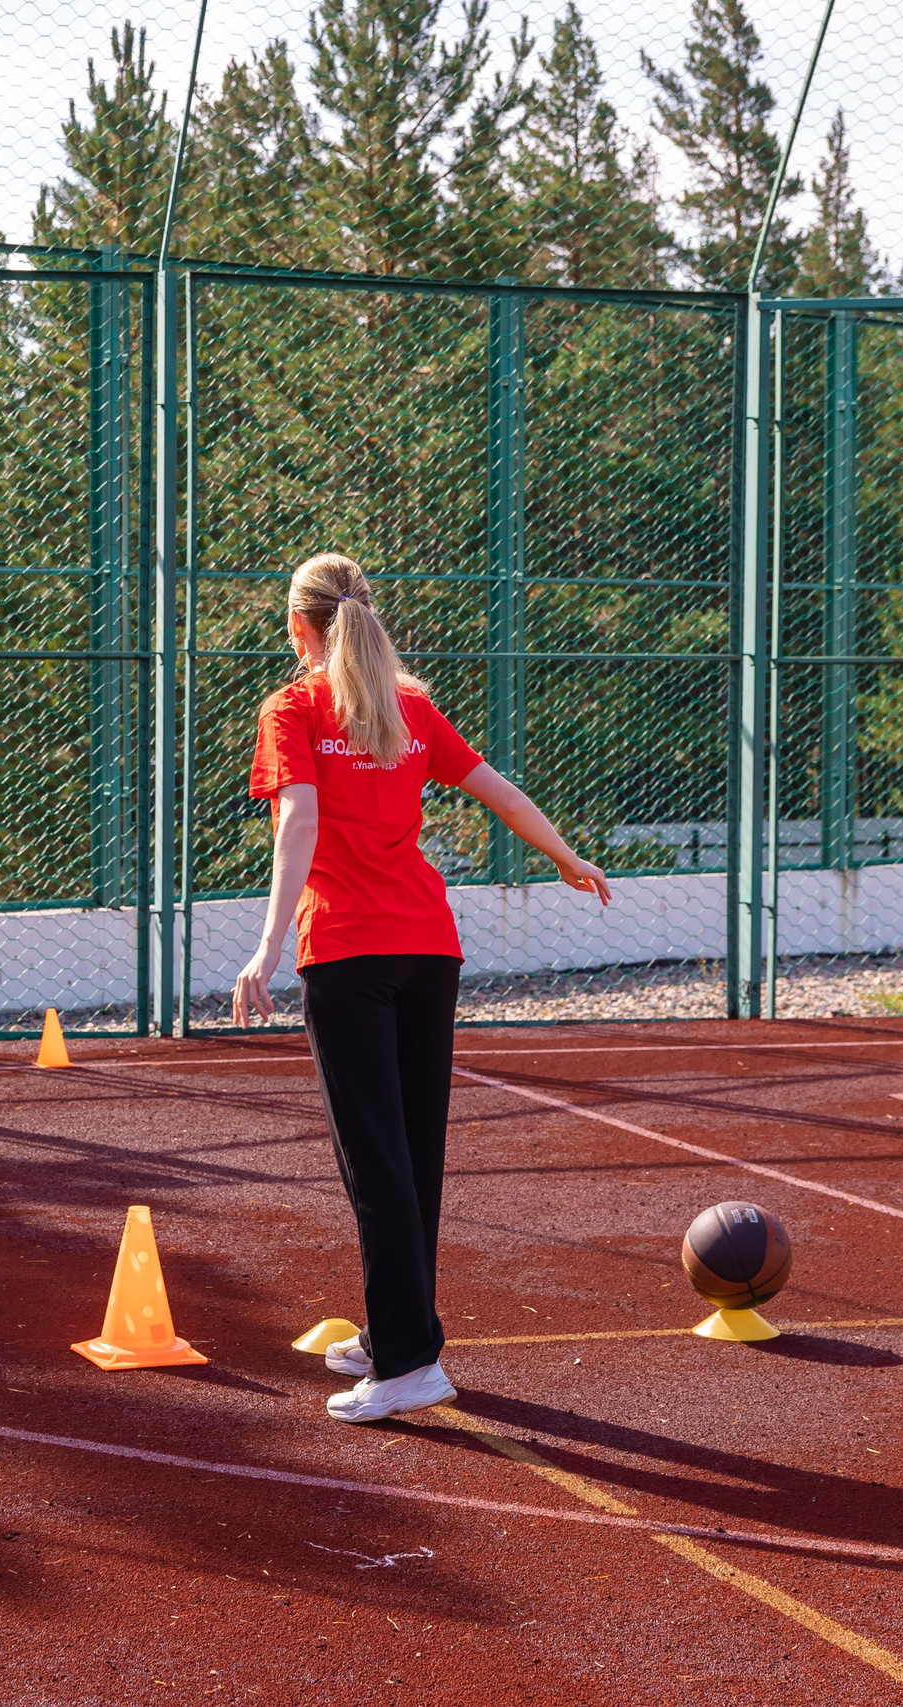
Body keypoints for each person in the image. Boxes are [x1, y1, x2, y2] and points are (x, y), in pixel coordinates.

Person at [232, 553, 612, 1424]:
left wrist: (263, 944)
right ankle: (391, 1331)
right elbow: (497, 789)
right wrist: (565, 857)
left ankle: (407, 1365)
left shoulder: (294, 707)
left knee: (377, 1162)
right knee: (413, 1157)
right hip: (428, 950)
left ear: (299, 629)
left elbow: (299, 820)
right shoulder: (409, 708)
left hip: (349, 953)